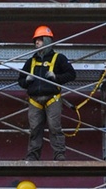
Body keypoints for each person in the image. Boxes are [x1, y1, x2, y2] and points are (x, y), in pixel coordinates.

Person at [18, 24, 76, 161]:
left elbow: (72, 74)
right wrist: (26, 80)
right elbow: (20, 81)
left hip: (52, 98)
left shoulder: (59, 58)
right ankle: (32, 156)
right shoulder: (31, 61)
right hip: (35, 100)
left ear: (47, 40)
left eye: (39, 39)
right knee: (35, 129)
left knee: (55, 127)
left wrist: (56, 77)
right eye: (35, 40)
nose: (36, 42)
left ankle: (59, 155)